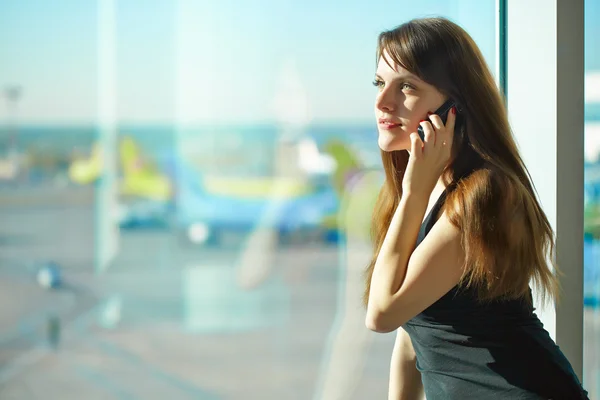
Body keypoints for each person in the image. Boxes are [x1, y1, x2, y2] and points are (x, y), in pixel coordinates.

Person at [363, 17, 589, 400]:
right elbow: (410, 339)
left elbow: (382, 314)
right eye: (380, 82)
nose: (383, 101)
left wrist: (413, 194)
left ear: (454, 108)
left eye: (407, 86)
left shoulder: (484, 194)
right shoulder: (425, 185)